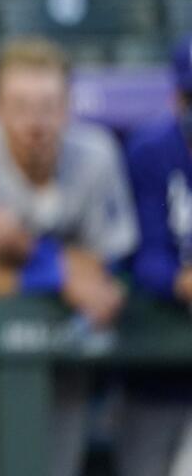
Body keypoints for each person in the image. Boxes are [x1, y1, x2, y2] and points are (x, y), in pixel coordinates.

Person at [0, 37, 138, 476]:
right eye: (20, 106)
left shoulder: (96, 156)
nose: (36, 122)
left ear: (69, 105)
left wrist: (21, 252)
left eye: (49, 105)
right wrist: (60, 271)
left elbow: (108, 279)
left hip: (64, 356)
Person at [116, 35, 192, 476]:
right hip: (152, 373)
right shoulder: (150, 149)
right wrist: (179, 281)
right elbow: (143, 258)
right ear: (176, 96)